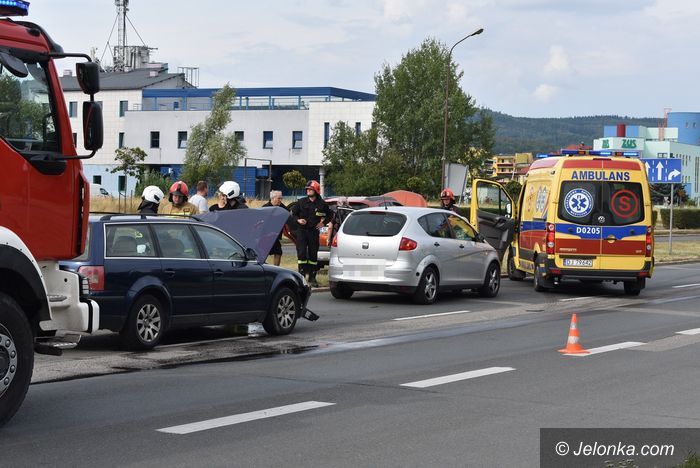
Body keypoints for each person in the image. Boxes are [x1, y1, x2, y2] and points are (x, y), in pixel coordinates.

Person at [290, 180, 331, 287]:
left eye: (310, 189)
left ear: (316, 190)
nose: (308, 191)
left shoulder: (322, 204)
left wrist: (323, 223)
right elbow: (293, 214)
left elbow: (330, 215)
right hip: (302, 231)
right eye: (307, 189)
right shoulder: (301, 202)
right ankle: (301, 277)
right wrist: (298, 220)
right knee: (302, 253)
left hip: (313, 232)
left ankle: (312, 277)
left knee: (313, 254)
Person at [262, 190, 288, 266]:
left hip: (276, 236)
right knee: (263, 253)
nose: (280, 200)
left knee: (278, 252)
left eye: (281, 198)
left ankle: (276, 268)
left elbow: (289, 213)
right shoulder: (265, 208)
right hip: (266, 236)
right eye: (279, 198)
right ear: (273, 198)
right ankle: (260, 268)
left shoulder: (282, 207)